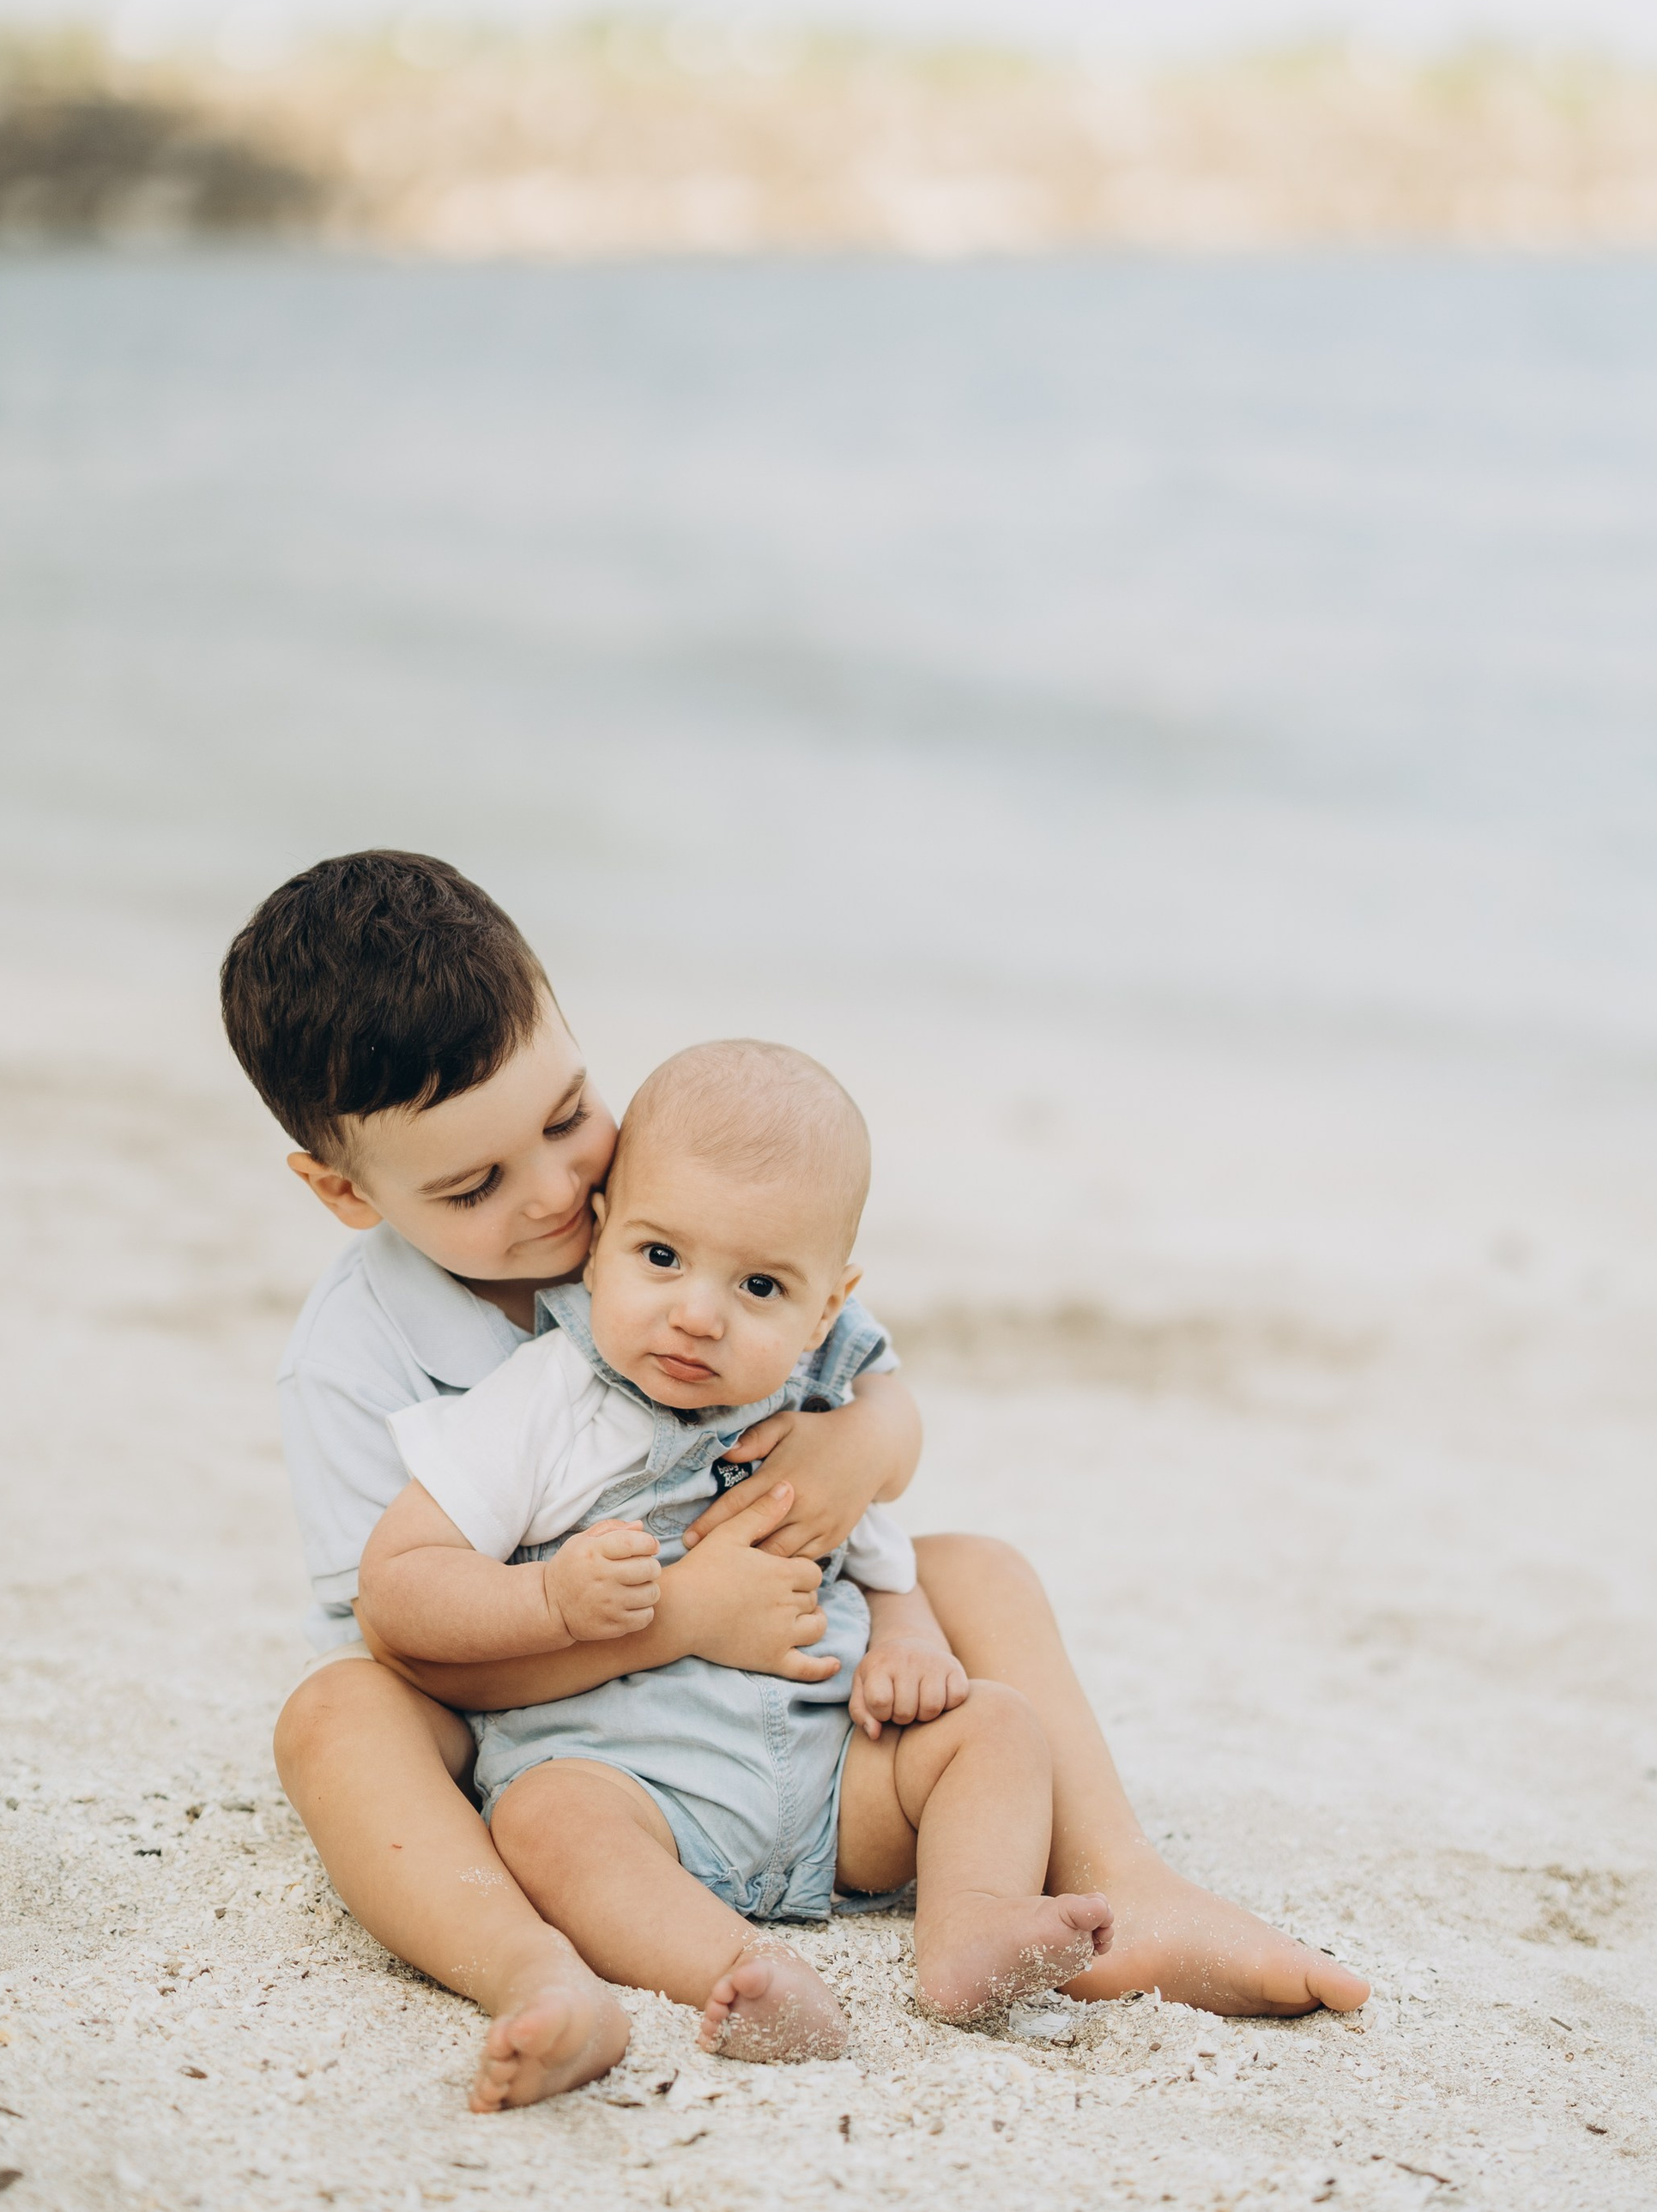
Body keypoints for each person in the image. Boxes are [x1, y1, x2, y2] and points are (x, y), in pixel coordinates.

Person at [221, 849, 1368, 2112]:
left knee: (977, 1570)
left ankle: (1124, 1885)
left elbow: (861, 1375)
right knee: (337, 1719)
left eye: (563, 1118)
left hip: (793, 1704)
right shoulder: (354, 1357)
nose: (558, 1194)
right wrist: (676, 1616)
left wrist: (859, 1447)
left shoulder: (667, 1200)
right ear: (341, 1190)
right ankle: (531, 1968)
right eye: (475, 1184)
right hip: (521, 1700)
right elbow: (404, 1641)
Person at [360, 1039, 1116, 2058]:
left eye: (760, 1286)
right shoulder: (546, 1400)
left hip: (838, 1779)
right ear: (597, 1247)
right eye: (660, 1257)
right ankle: (736, 1973)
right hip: (631, 1786)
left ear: (828, 1308)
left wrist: (909, 1641)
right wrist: (550, 1606)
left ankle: (970, 1925)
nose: (697, 1314)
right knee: (543, 1824)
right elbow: (398, 1588)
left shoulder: (812, 1410)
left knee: (997, 1727)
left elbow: (877, 1554)